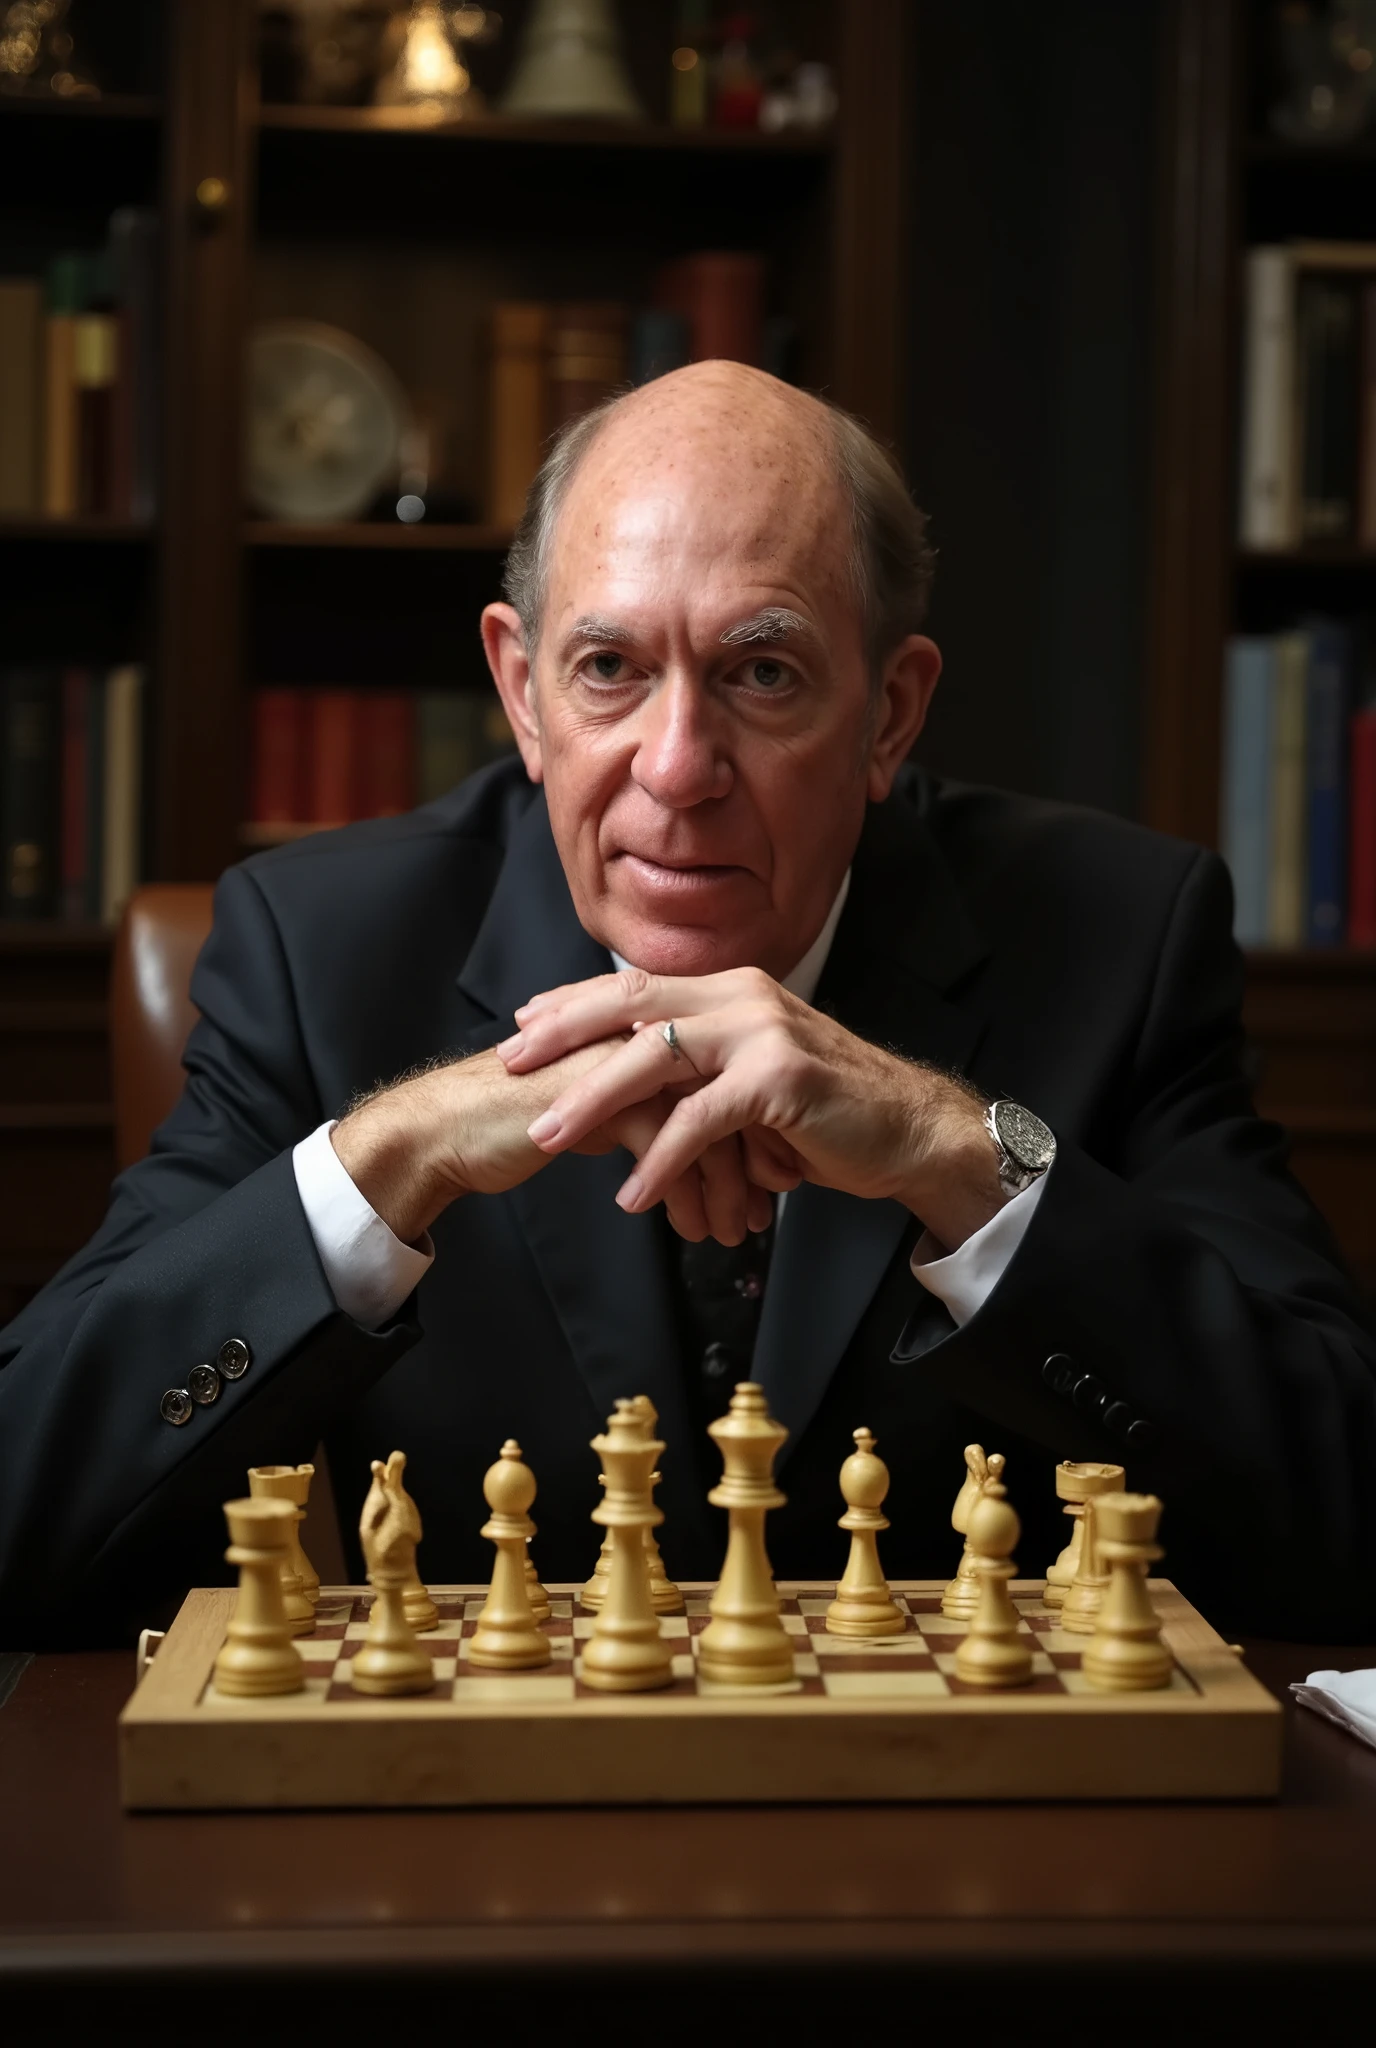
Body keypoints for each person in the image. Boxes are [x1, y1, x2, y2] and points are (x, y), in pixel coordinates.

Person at [1, 363, 1373, 1649]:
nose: (675, 767)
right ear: (522, 691)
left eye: (761, 672)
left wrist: (956, 1153)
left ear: (890, 713)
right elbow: (24, 1513)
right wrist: (393, 1151)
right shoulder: (324, 954)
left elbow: (1348, 1518)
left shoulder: (1119, 939)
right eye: (608, 669)